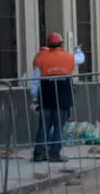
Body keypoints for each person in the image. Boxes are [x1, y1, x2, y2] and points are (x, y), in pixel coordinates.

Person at [30, 31, 76, 163]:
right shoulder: (68, 57)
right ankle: (54, 153)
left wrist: (34, 99)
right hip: (62, 98)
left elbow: (35, 82)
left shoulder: (41, 59)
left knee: (43, 126)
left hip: (46, 98)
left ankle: (39, 154)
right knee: (58, 127)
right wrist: (78, 50)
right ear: (61, 43)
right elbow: (81, 58)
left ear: (48, 45)